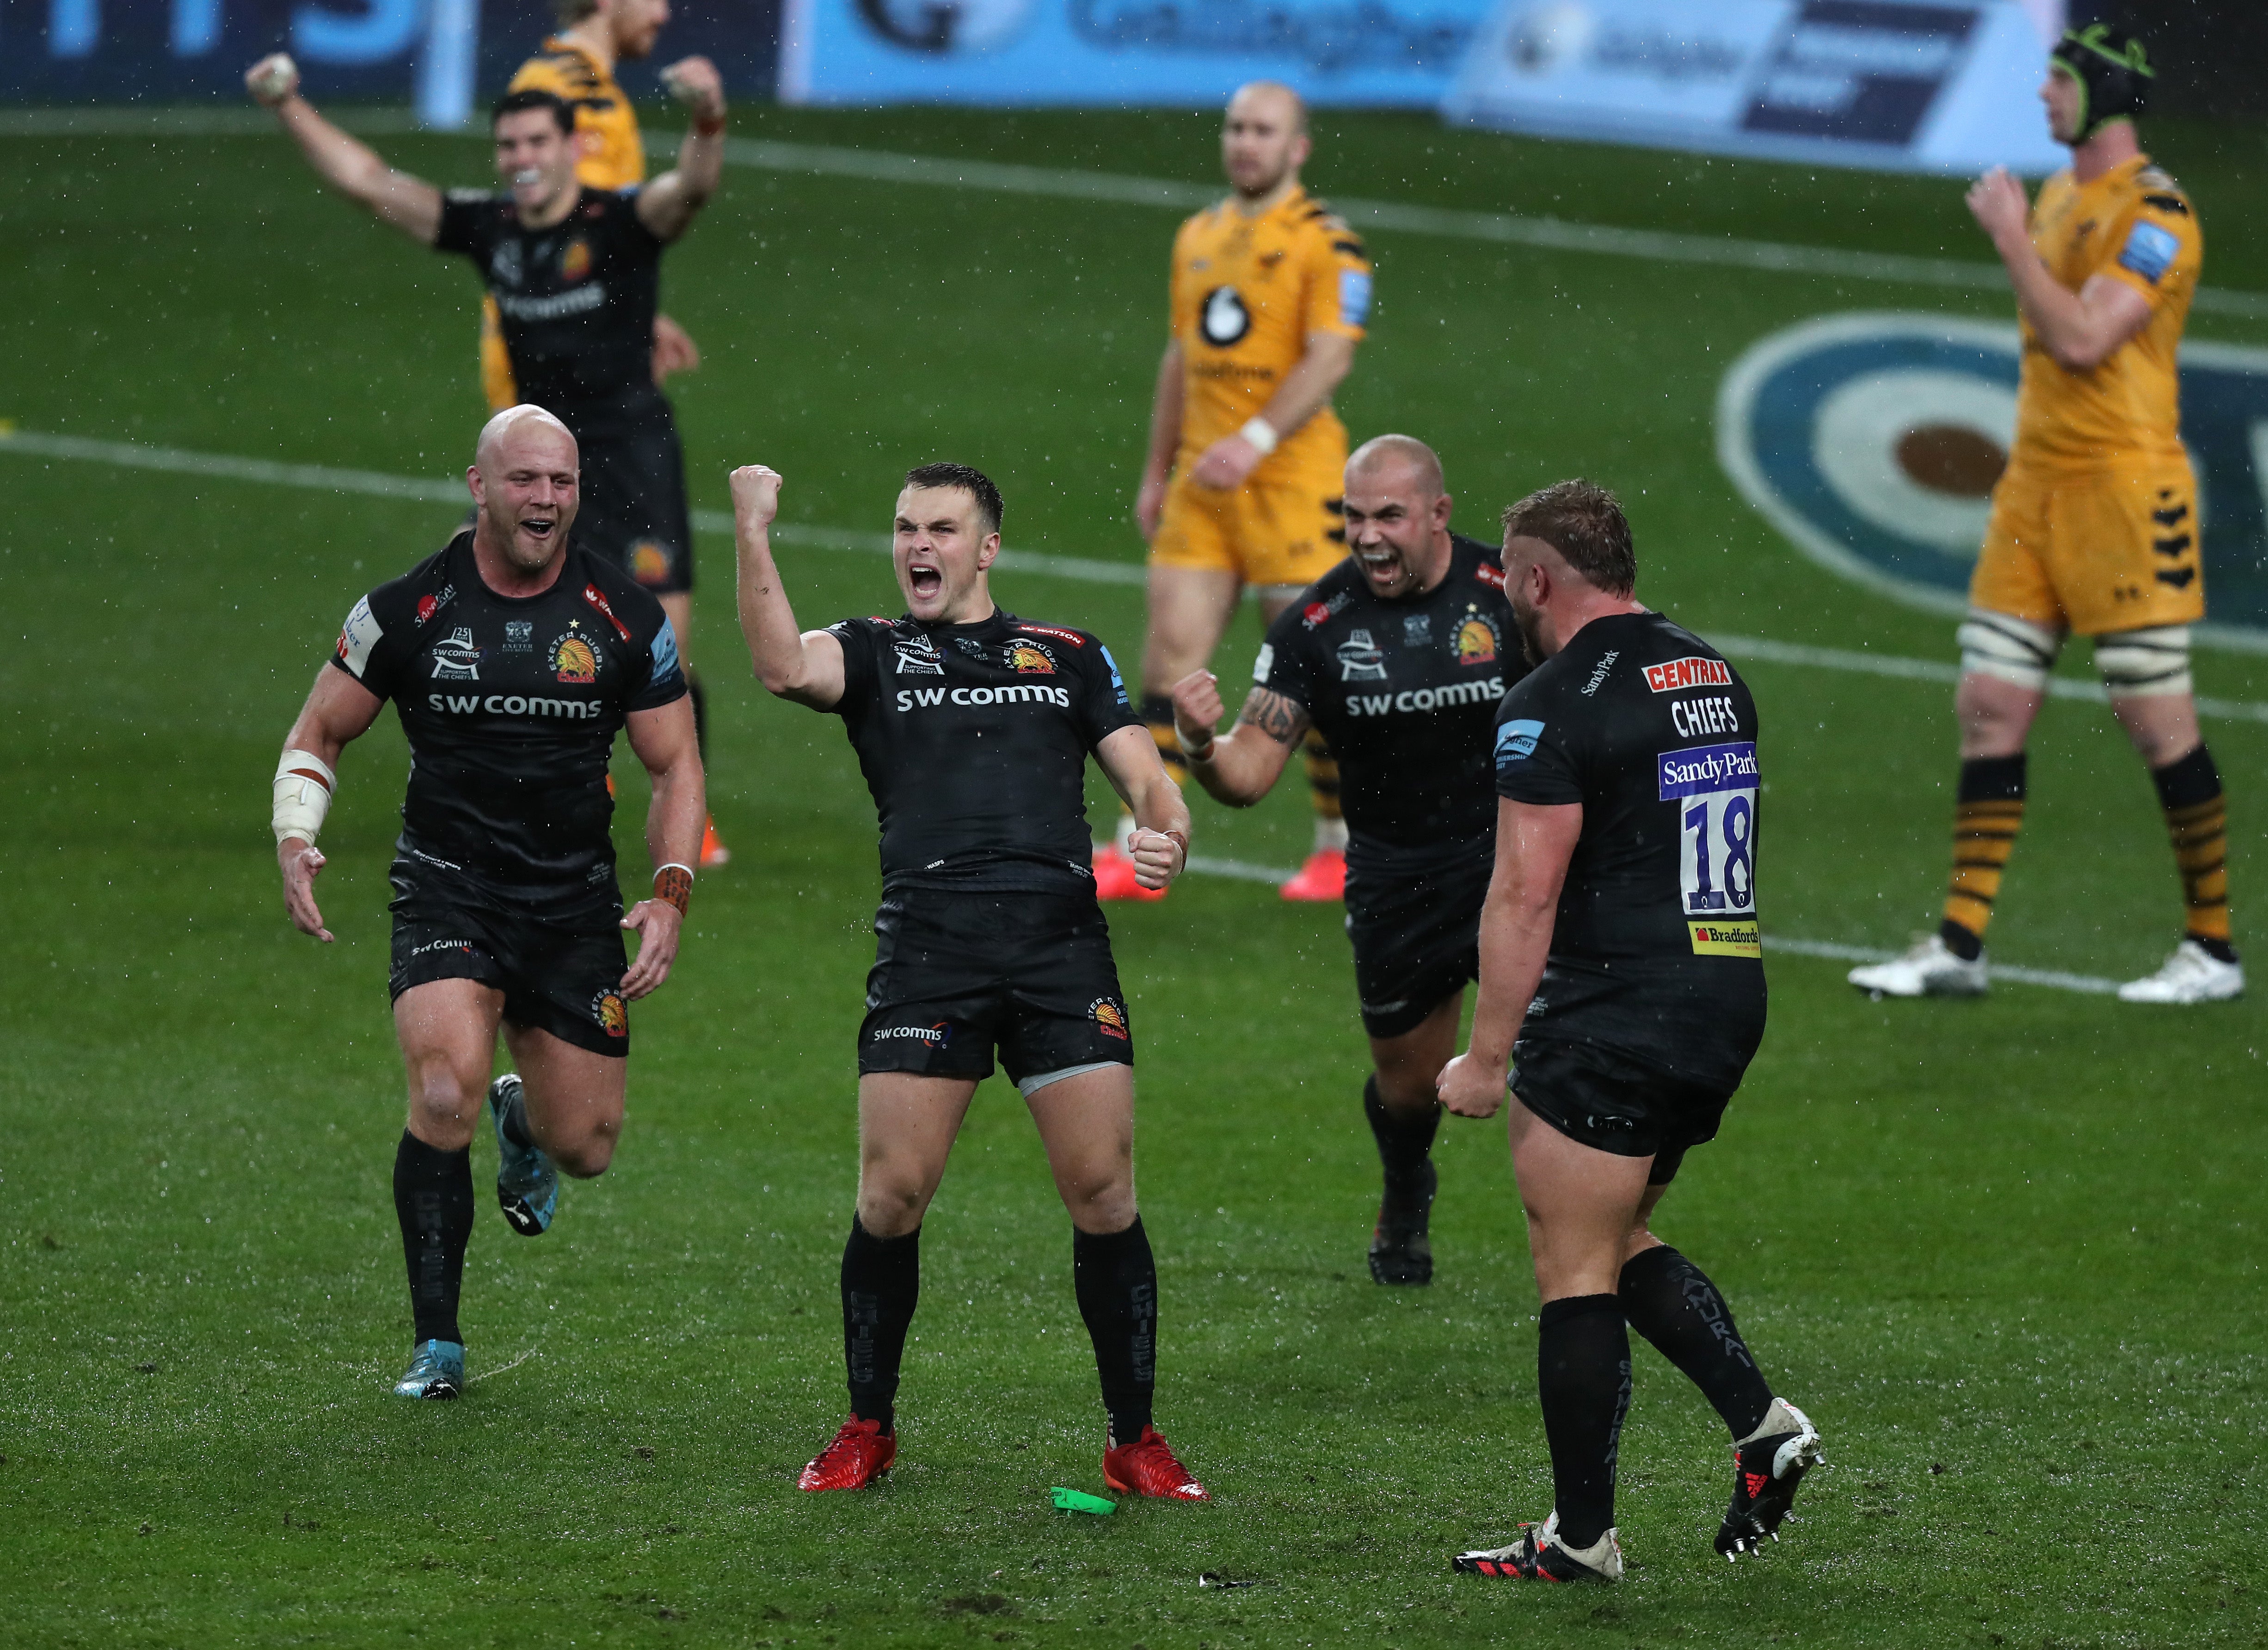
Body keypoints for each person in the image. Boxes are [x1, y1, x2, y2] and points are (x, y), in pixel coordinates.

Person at [731, 459, 1208, 1499]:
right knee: (892, 1194)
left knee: (1103, 1192)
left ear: (986, 546)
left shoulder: (1069, 656)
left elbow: (1148, 785)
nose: (918, 547)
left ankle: (1135, 1438)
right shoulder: (870, 651)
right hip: (930, 945)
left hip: (1057, 946)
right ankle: (867, 1425)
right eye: (905, 527)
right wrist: (753, 528)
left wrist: (1161, 833)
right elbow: (777, 667)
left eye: (941, 529)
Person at [271, 406, 703, 1401]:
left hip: (570, 902)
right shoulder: (409, 609)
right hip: (448, 884)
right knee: (438, 1091)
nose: (545, 499)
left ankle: (523, 1121)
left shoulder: (624, 617)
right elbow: (319, 730)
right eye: (524, 481)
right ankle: (438, 1344)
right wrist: (297, 831)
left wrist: (671, 891)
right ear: (479, 484)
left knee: (586, 1148)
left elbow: (675, 762)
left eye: (561, 480)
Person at [1437, 481, 1819, 1583]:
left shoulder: (1548, 700)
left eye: (1507, 572)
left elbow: (1521, 894)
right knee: (1611, 1240)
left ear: (1535, 578)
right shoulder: (1708, 669)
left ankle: (1579, 1536)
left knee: (1571, 1270)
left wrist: (1485, 1053)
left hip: (1612, 1007)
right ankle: (1762, 1427)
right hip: (1722, 991)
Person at [246, 55, 734, 869]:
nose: (520, 157)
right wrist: (290, 103)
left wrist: (708, 120)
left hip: (632, 458)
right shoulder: (493, 229)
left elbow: (690, 189)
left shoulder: (617, 221)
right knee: (508, 620)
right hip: (533, 467)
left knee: (662, 655)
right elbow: (371, 182)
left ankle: (687, 820)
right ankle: (527, 793)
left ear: (575, 145)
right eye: (507, 144)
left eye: (536, 139)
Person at [1848, 24, 2238, 1005]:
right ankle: (1958, 944)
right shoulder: (2063, 191)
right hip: (2035, 488)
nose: (2042, 99)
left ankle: (2211, 949)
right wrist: (2027, 230)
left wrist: (2010, 238)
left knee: (2155, 721)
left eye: (2059, 83)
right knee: (1988, 707)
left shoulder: (2158, 214)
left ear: (2103, 91)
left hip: (2121, 488)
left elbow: (2080, 339)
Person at [1168, 435, 1520, 1286]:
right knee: (1409, 1090)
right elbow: (1251, 772)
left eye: (1389, 516)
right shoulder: (1319, 624)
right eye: (1354, 516)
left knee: (1573, 1053)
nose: (1368, 537)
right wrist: (1203, 746)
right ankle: (1407, 1185)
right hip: (1401, 877)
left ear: (1438, 513)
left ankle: (1599, 1231)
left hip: (1519, 862)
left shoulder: (1509, 593)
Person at [1099, 79, 1372, 904]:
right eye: (1236, 127)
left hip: (1295, 484)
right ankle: (1142, 839)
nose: (1246, 142)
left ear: (1299, 149)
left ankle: (1338, 845)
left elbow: (1330, 355)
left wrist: (1254, 441)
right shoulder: (1198, 236)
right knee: (1167, 660)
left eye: (1264, 130)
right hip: (1204, 487)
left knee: (1307, 668)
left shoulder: (1330, 245)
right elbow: (1180, 357)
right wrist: (1157, 471)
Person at [482, 0, 705, 419]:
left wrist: (634, 310)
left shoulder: (580, 83)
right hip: (553, 351)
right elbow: (570, 228)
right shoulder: (574, 91)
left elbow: (593, 236)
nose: (663, 15)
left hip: (562, 342)